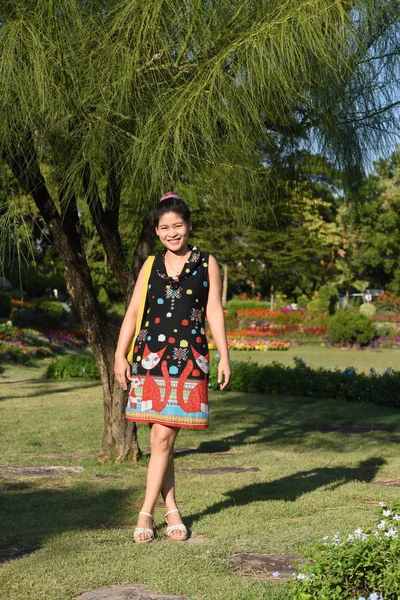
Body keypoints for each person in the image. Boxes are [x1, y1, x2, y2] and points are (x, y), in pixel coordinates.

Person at [114, 192, 231, 543]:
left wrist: (224, 354)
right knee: (159, 438)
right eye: (164, 227)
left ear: (189, 225)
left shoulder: (206, 262)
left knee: (163, 436)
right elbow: (134, 311)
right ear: (157, 230)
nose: (172, 232)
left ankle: (145, 513)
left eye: (177, 225)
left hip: (189, 359)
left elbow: (213, 311)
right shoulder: (150, 265)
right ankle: (173, 509)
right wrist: (121, 354)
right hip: (151, 357)